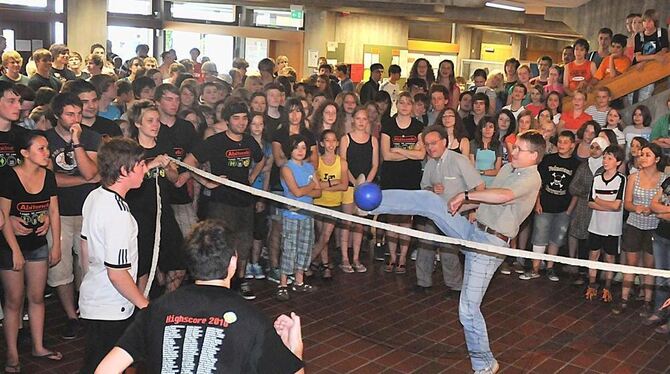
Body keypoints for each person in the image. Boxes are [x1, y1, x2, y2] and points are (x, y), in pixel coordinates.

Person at [368, 130, 545, 374]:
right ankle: (374, 203)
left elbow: (504, 196)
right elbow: (488, 198)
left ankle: (485, 365)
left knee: (468, 310)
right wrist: (462, 203)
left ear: (534, 156)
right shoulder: (509, 169)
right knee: (430, 201)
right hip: (473, 230)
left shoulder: (531, 178)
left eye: (519, 150)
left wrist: (465, 195)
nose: (513, 152)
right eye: (514, 148)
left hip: (489, 245)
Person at [96, 220, 305, 373]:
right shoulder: (251, 319)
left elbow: (105, 370)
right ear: (233, 262)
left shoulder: (157, 310)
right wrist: (294, 350)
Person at [77, 137, 150, 373]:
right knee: (105, 365)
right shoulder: (119, 215)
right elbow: (117, 274)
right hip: (112, 306)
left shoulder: (95, 195)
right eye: (140, 165)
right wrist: (145, 306)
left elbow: (84, 250)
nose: (145, 169)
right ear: (123, 170)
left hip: (94, 297)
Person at [184, 101, 264, 300]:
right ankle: (219, 285)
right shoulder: (215, 141)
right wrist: (206, 182)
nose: (241, 122)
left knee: (244, 244)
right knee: (221, 244)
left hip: (244, 201)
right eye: (236, 118)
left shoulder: (249, 141)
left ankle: (241, 281)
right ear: (227, 121)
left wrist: (253, 176)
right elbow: (188, 162)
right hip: (221, 203)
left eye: (245, 118)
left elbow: (261, 159)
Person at [1, 131, 62, 373]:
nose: (47, 153)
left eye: (47, 148)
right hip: (10, 247)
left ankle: (38, 346)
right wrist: (15, 250)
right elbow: (3, 217)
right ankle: (12, 353)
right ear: (24, 153)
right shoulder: (8, 177)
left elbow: (54, 211)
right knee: (14, 300)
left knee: (36, 298)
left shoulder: (48, 176)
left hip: (38, 244)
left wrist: (56, 244)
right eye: (41, 148)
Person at [45, 92, 101, 340]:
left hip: (88, 211)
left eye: (79, 113)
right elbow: (50, 180)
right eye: (70, 114)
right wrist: (82, 179)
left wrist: (77, 142)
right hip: (59, 213)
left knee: (87, 266)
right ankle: (70, 316)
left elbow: (92, 171)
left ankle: (86, 310)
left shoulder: (91, 137)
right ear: (57, 115)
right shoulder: (44, 139)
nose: (76, 118)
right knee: (61, 270)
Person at [124, 100, 185, 294]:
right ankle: (143, 308)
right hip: (138, 214)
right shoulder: (130, 150)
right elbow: (125, 180)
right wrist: (151, 164)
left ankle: (167, 304)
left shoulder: (164, 145)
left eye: (157, 120)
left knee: (178, 262)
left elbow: (175, 179)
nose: (155, 125)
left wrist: (167, 167)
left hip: (163, 212)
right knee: (142, 266)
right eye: (150, 121)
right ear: (138, 124)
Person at [415, 125, 483, 294]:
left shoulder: (459, 160)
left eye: (434, 143)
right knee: (424, 246)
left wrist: (467, 209)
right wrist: (432, 189)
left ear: (444, 142)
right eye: (427, 144)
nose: (430, 147)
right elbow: (424, 189)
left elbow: (480, 188)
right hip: (433, 214)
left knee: (449, 251)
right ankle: (423, 283)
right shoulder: (430, 164)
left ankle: (455, 286)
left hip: (455, 215)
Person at [614, 143, 666, 316]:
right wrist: (636, 208)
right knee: (631, 263)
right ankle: (624, 299)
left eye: (647, 155)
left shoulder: (663, 178)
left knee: (649, 266)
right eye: (641, 154)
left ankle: (647, 301)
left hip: (654, 227)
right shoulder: (633, 177)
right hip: (635, 225)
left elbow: (663, 203)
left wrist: (653, 209)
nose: (642, 157)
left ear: (657, 159)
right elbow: (626, 202)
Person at [520, 131, 579, 281]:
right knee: (539, 236)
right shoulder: (548, 160)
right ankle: (535, 267)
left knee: (556, 239)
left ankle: (550, 267)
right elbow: (538, 183)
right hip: (545, 205)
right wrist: (537, 202)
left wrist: (569, 210)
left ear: (573, 145)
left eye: (566, 142)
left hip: (563, 208)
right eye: (560, 141)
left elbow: (576, 190)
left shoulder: (576, 164)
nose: (562, 145)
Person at [379, 92, 425, 274]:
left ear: (413, 106)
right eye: (402, 103)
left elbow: (421, 155)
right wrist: (409, 153)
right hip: (391, 176)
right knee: (392, 218)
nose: (405, 106)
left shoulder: (418, 126)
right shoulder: (388, 125)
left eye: (408, 103)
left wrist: (398, 149)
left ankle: (403, 257)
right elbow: (386, 156)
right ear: (396, 104)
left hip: (411, 177)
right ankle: (392, 255)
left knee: (406, 218)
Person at [276, 134, 321, 301]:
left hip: (307, 214)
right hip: (291, 215)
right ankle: (283, 284)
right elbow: (296, 191)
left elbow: (319, 191)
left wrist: (307, 189)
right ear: (290, 149)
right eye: (296, 147)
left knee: (305, 246)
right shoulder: (286, 168)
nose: (300, 151)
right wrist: (310, 186)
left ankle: (299, 281)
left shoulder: (310, 167)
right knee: (289, 248)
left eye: (303, 147)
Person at [155, 84, 199, 238]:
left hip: (180, 192)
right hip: (157, 193)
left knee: (189, 236)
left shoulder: (186, 127)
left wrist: (186, 174)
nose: (174, 104)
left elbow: (196, 154)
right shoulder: (152, 127)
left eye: (177, 100)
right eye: (169, 99)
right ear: (157, 102)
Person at [584, 145, 626, 303]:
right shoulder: (596, 178)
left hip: (612, 228)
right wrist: (606, 204)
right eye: (604, 157)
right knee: (593, 255)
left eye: (610, 158)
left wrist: (599, 201)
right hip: (595, 225)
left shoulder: (621, 179)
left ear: (618, 162)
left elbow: (617, 206)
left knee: (610, 257)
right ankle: (592, 284)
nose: (605, 161)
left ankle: (607, 287)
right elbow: (590, 203)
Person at [633, 9, 669, 103]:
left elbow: (664, 50)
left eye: (649, 21)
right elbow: (638, 57)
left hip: (658, 70)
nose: (646, 24)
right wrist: (653, 57)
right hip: (642, 70)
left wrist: (645, 61)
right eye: (644, 21)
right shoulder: (639, 36)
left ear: (655, 22)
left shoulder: (661, 32)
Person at [469, 116, 502, 187]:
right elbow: (471, 167)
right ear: (480, 129)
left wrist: (482, 172)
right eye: (484, 126)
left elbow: (497, 170)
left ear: (495, 130)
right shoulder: (473, 143)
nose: (487, 129)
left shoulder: (498, 145)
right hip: (475, 181)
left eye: (491, 127)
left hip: (493, 182)